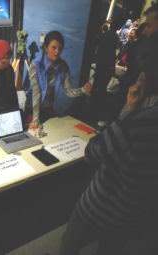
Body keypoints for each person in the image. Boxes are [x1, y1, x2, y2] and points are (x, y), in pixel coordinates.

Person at [60, 32, 158, 255]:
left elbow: (94, 152)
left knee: (69, 245)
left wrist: (128, 110)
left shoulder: (137, 124)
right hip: (135, 213)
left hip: (100, 208)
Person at [28, 31, 92, 134]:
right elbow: (36, 94)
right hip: (33, 110)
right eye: (54, 48)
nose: (57, 52)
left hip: (49, 110)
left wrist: (83, 90)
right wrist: (35, 120)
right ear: (46, 48)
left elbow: (69, 92)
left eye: (60, 48)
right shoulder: (36, 65)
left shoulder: (63, 66)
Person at [90, 21, 118, 125]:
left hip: (101, 64)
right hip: (105, 66)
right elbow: (111, 54)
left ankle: (92, 107)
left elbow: (100, 50)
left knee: (97, 86)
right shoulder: (112, 36)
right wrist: (111, 67)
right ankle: (95, 110)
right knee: (101, 88)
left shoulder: (106, 34)